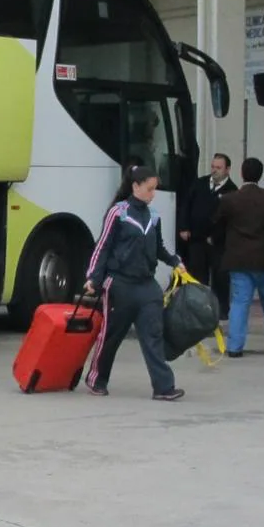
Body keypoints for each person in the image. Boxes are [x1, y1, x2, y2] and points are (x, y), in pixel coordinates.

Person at [82, 165, 187, 401]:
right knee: (111, 335)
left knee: (153, 335)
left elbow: (158, 247)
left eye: (155, 189)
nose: (153, 194)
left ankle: (163, 387)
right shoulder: (118, 213)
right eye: (149, 189)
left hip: (147, 286)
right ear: (135, 186)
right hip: (119, 284)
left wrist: (174, 261)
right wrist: (93, 277)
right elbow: (103, 246)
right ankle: (96, 379)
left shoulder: (154, 217)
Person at [212, 157, 264, 357]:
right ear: (260, 175)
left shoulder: (229, 199)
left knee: (240, 302)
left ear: (241, 174)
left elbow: (217, 226)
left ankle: (234, 347)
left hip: (238, 259)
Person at [177, 153, 237, 315]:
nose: (214, 170)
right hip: (196, 238)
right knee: (197, 274)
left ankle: (221, 310)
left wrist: (217, 236)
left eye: (219, 168)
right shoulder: (200, 184)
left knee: (220, 277)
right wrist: (183, 227)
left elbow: (230, 219)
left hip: (218, 243)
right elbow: (185, 206)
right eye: (213, 167)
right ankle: (197, 308)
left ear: (227, 170)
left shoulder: (232, 191)